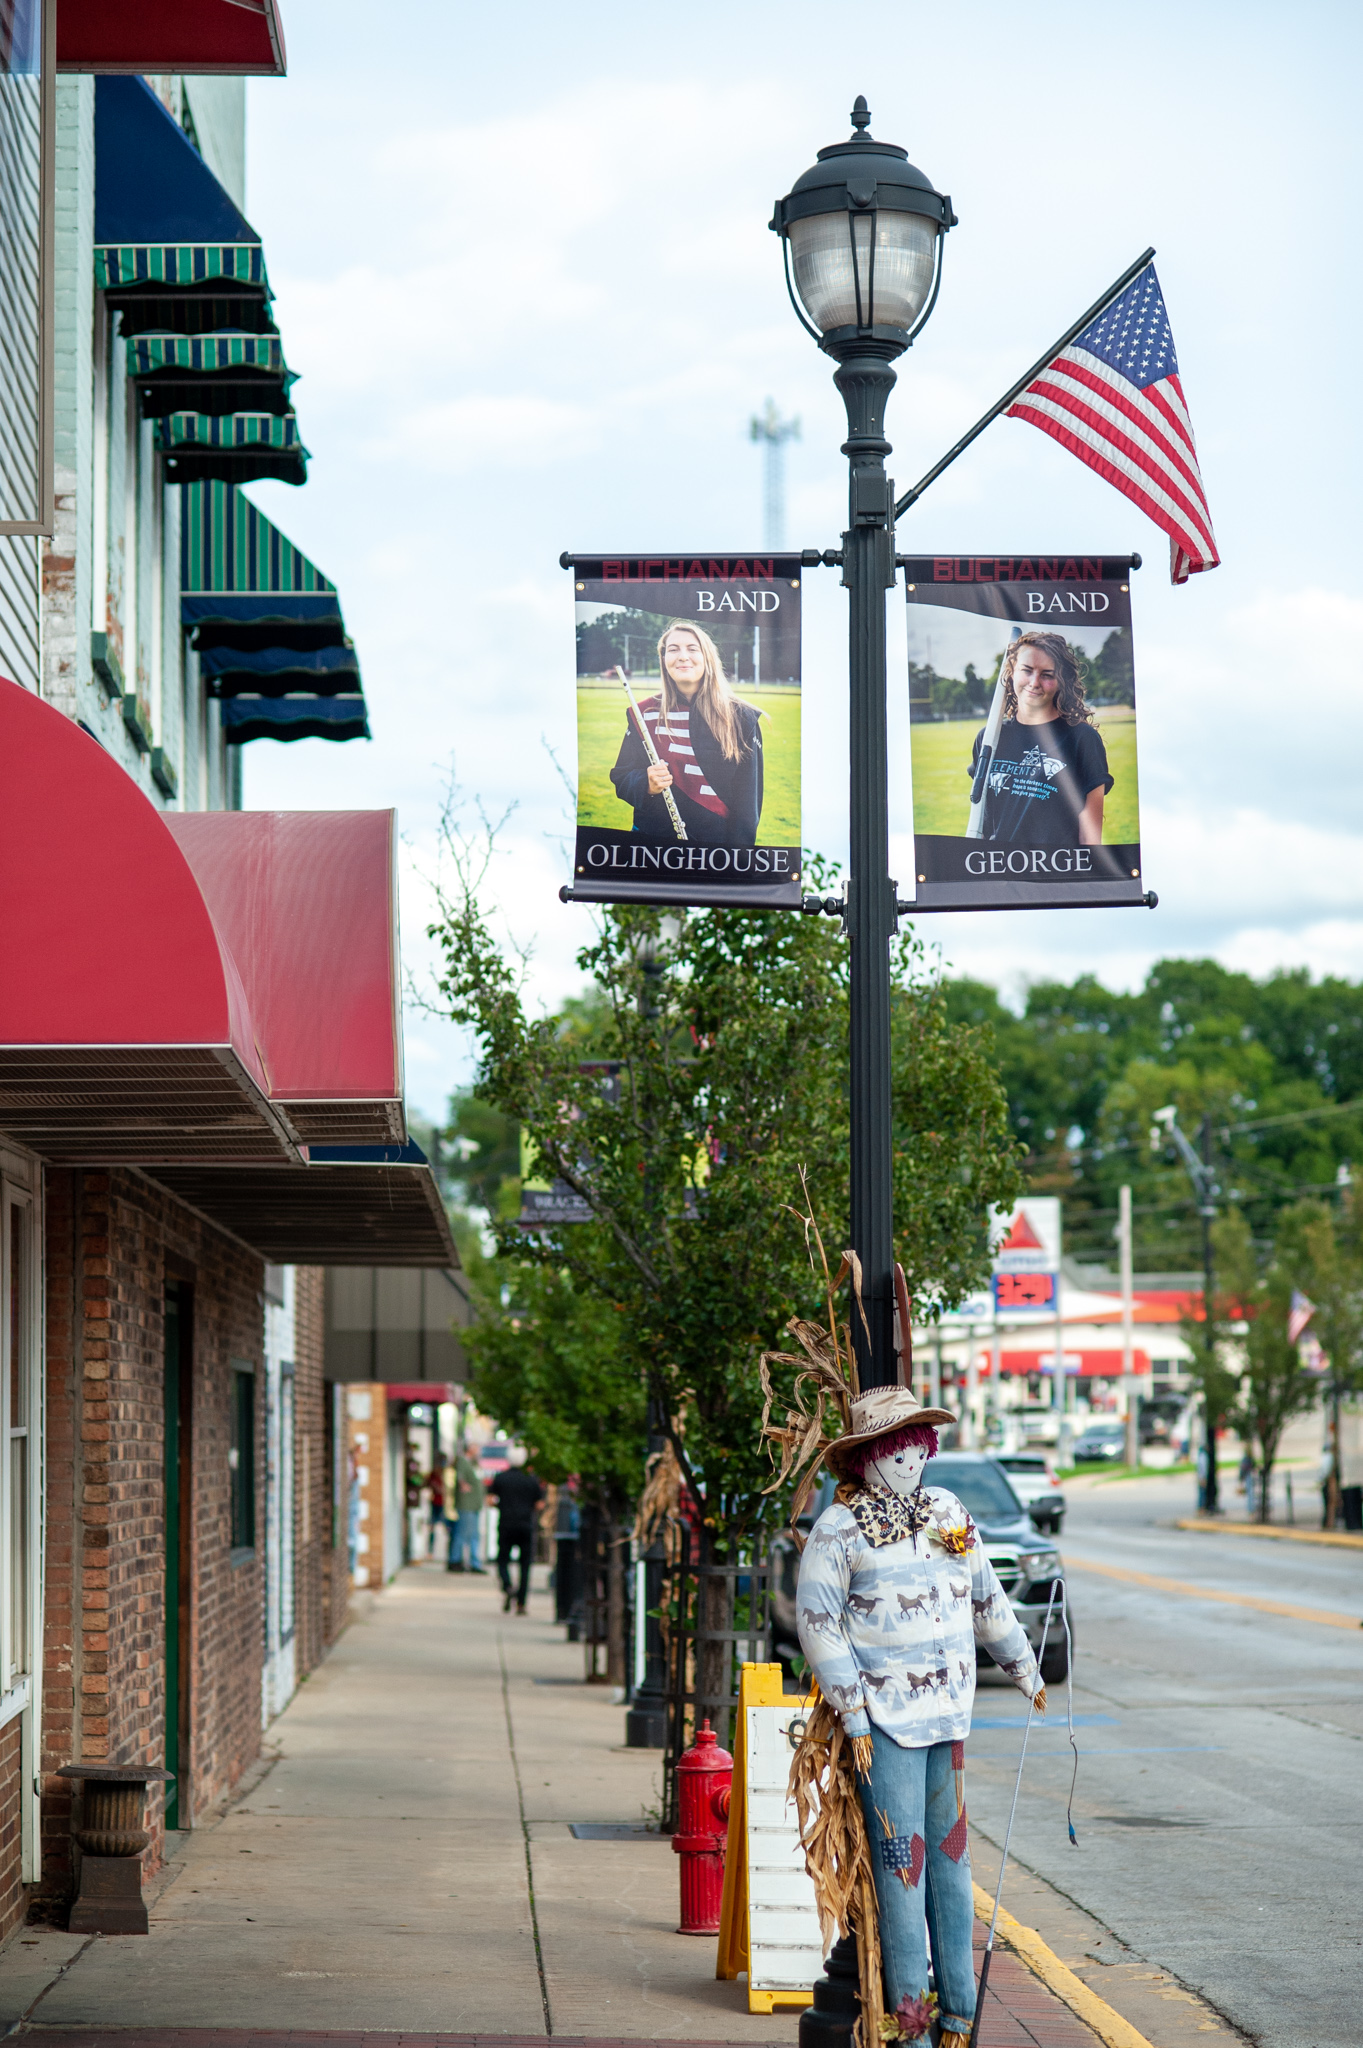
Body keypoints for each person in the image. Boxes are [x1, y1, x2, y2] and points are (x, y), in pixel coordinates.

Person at [796, 1386, 1044, 2048]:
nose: (908, 1456)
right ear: (865, 1456)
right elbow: (818, 1623)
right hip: (885, 1725)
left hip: (947, 1716)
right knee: (900, 1868)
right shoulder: (839, 1528)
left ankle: (960, 2014)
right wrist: (851, 1710)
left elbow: (986, 1594)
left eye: (917, 1443)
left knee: (952, 1862)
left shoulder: (946, 1511)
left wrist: (1021, 1664)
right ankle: (910, 2022)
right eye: (892, 1445)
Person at [609, 622, 764, 844]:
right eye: (673, 649)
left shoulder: (743, 718)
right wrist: (646, 784)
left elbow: (748, 808)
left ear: (707, 657)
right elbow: (621, 776)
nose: (682, 656)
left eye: (692, 648)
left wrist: (735, 865)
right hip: (650, 847)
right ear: (664, 659)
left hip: (713, 853)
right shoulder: (642, 713)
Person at [967, 632, 1113, 846]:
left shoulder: (1082, 739)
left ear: (1061, 681)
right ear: (1012, 673)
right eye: (1027, 670)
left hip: (1055, 873)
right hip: (999, 872)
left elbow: (1090, 840)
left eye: (1047, 674)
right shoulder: (989, 738)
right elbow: (983, 818)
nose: (1034, 682)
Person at [491, 1456, 546, 1614]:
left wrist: (501, 1505)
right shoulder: (532, 1480)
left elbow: (490, 1500)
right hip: (525, 1525)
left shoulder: (501, 1478)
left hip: (506, 1523)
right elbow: (540, 1504)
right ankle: (521, 1603)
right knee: (525, 1565)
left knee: (502, 1560)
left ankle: (507, 1586)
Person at [444, 1445, 487, 1573]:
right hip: (466, 1504)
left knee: (474, 1534)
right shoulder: (463, 1461)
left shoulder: (474, 1463)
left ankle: (474, 1562)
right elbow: (460, 1477)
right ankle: (455, 1560)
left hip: (474, 1504)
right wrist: (463, 1485)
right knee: (462, 1533)